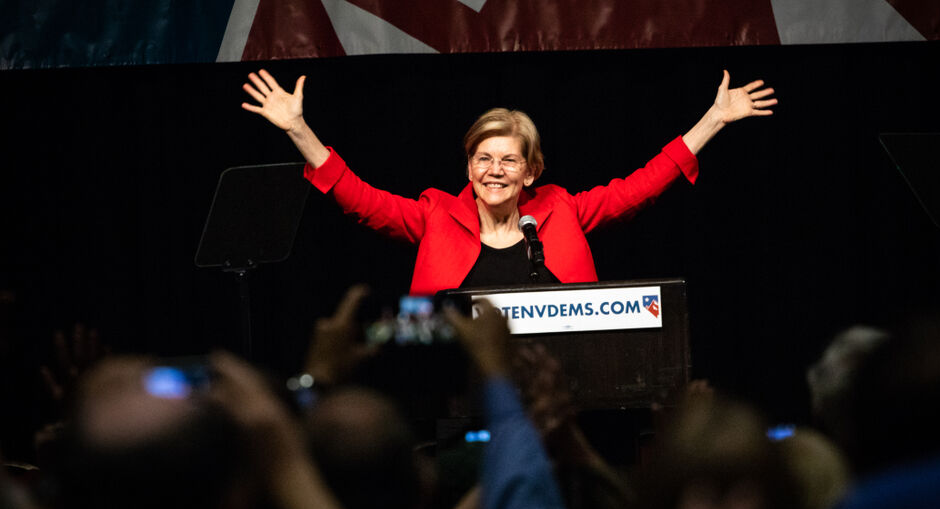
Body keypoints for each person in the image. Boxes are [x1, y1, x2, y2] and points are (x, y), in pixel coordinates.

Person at [241, 69, 776, 295]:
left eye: (508, 161)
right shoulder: (434, 216)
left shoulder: (562, 209)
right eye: (483, 158)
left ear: (531, 171)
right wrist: (298, 129)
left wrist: (713, 120)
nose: (495, 170)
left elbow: (644, 184)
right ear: (469, 167)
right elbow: (358, 197)